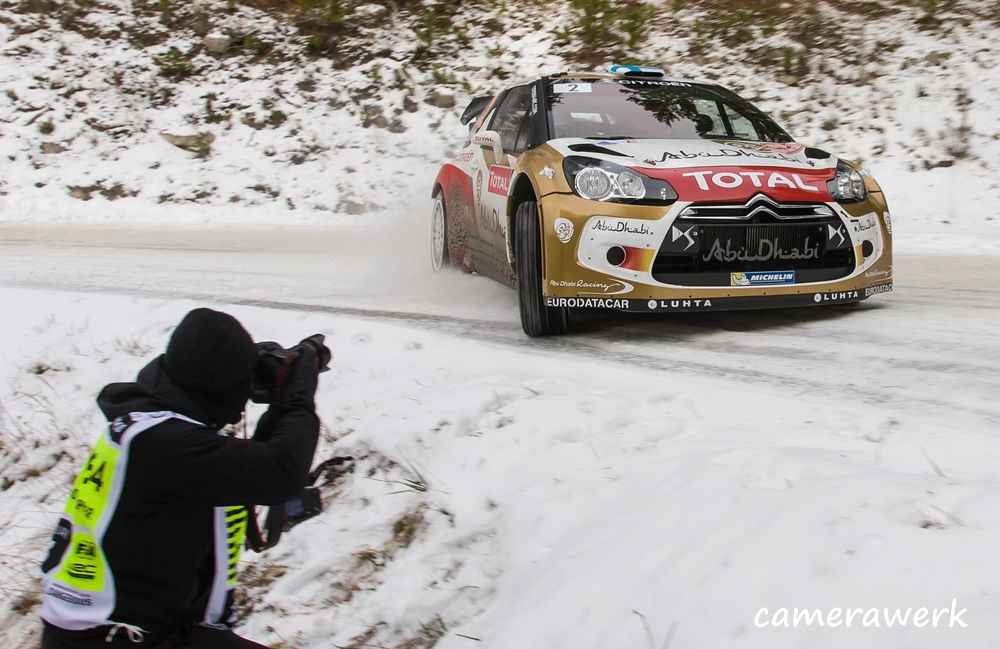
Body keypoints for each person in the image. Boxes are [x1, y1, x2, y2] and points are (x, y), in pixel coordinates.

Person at [39, 308, 325, 648]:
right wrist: (297, 398)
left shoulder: (147, 426)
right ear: (222, 388)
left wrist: (280, 405)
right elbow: (281, 473)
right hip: (119, 637)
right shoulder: (164, 446)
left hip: (115, 632)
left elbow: (258, 470)